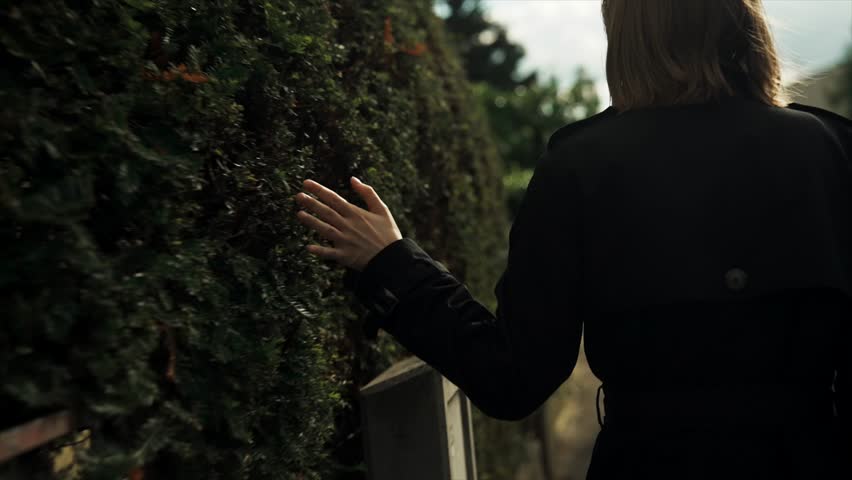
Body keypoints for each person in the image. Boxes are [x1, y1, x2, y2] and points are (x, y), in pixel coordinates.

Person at [293, 0, 852, 477]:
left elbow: (513, 378)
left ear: (630, 35)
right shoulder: (833, 150)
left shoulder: (582, 165)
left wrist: (392, 265)